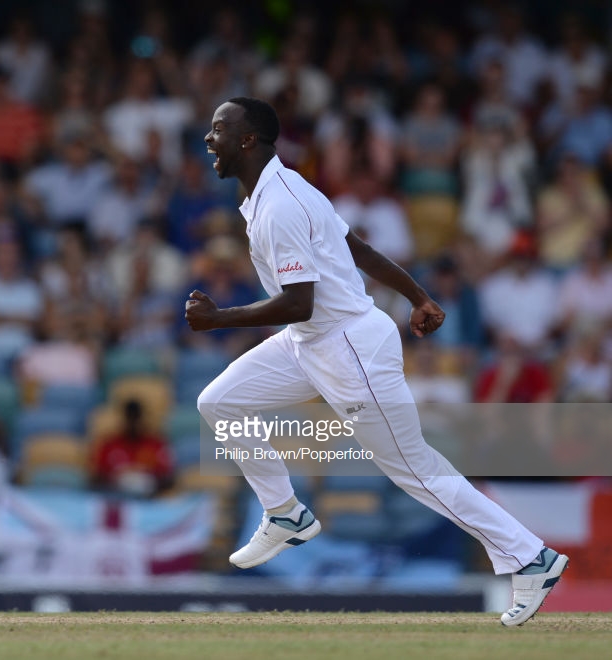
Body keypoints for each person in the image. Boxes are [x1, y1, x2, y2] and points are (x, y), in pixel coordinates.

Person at [187, 97, 567, 627]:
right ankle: (286, 514)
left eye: (218, 129)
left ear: (248, 140)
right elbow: (355, 248)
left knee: (418, 472)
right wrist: (418, 296)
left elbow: (301, 300)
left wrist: (219, 318)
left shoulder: (280, 204)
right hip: (310, 340)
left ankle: (532, 557)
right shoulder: (279, 189)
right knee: (219, 402)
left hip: (348, 349)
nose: (209, 138)